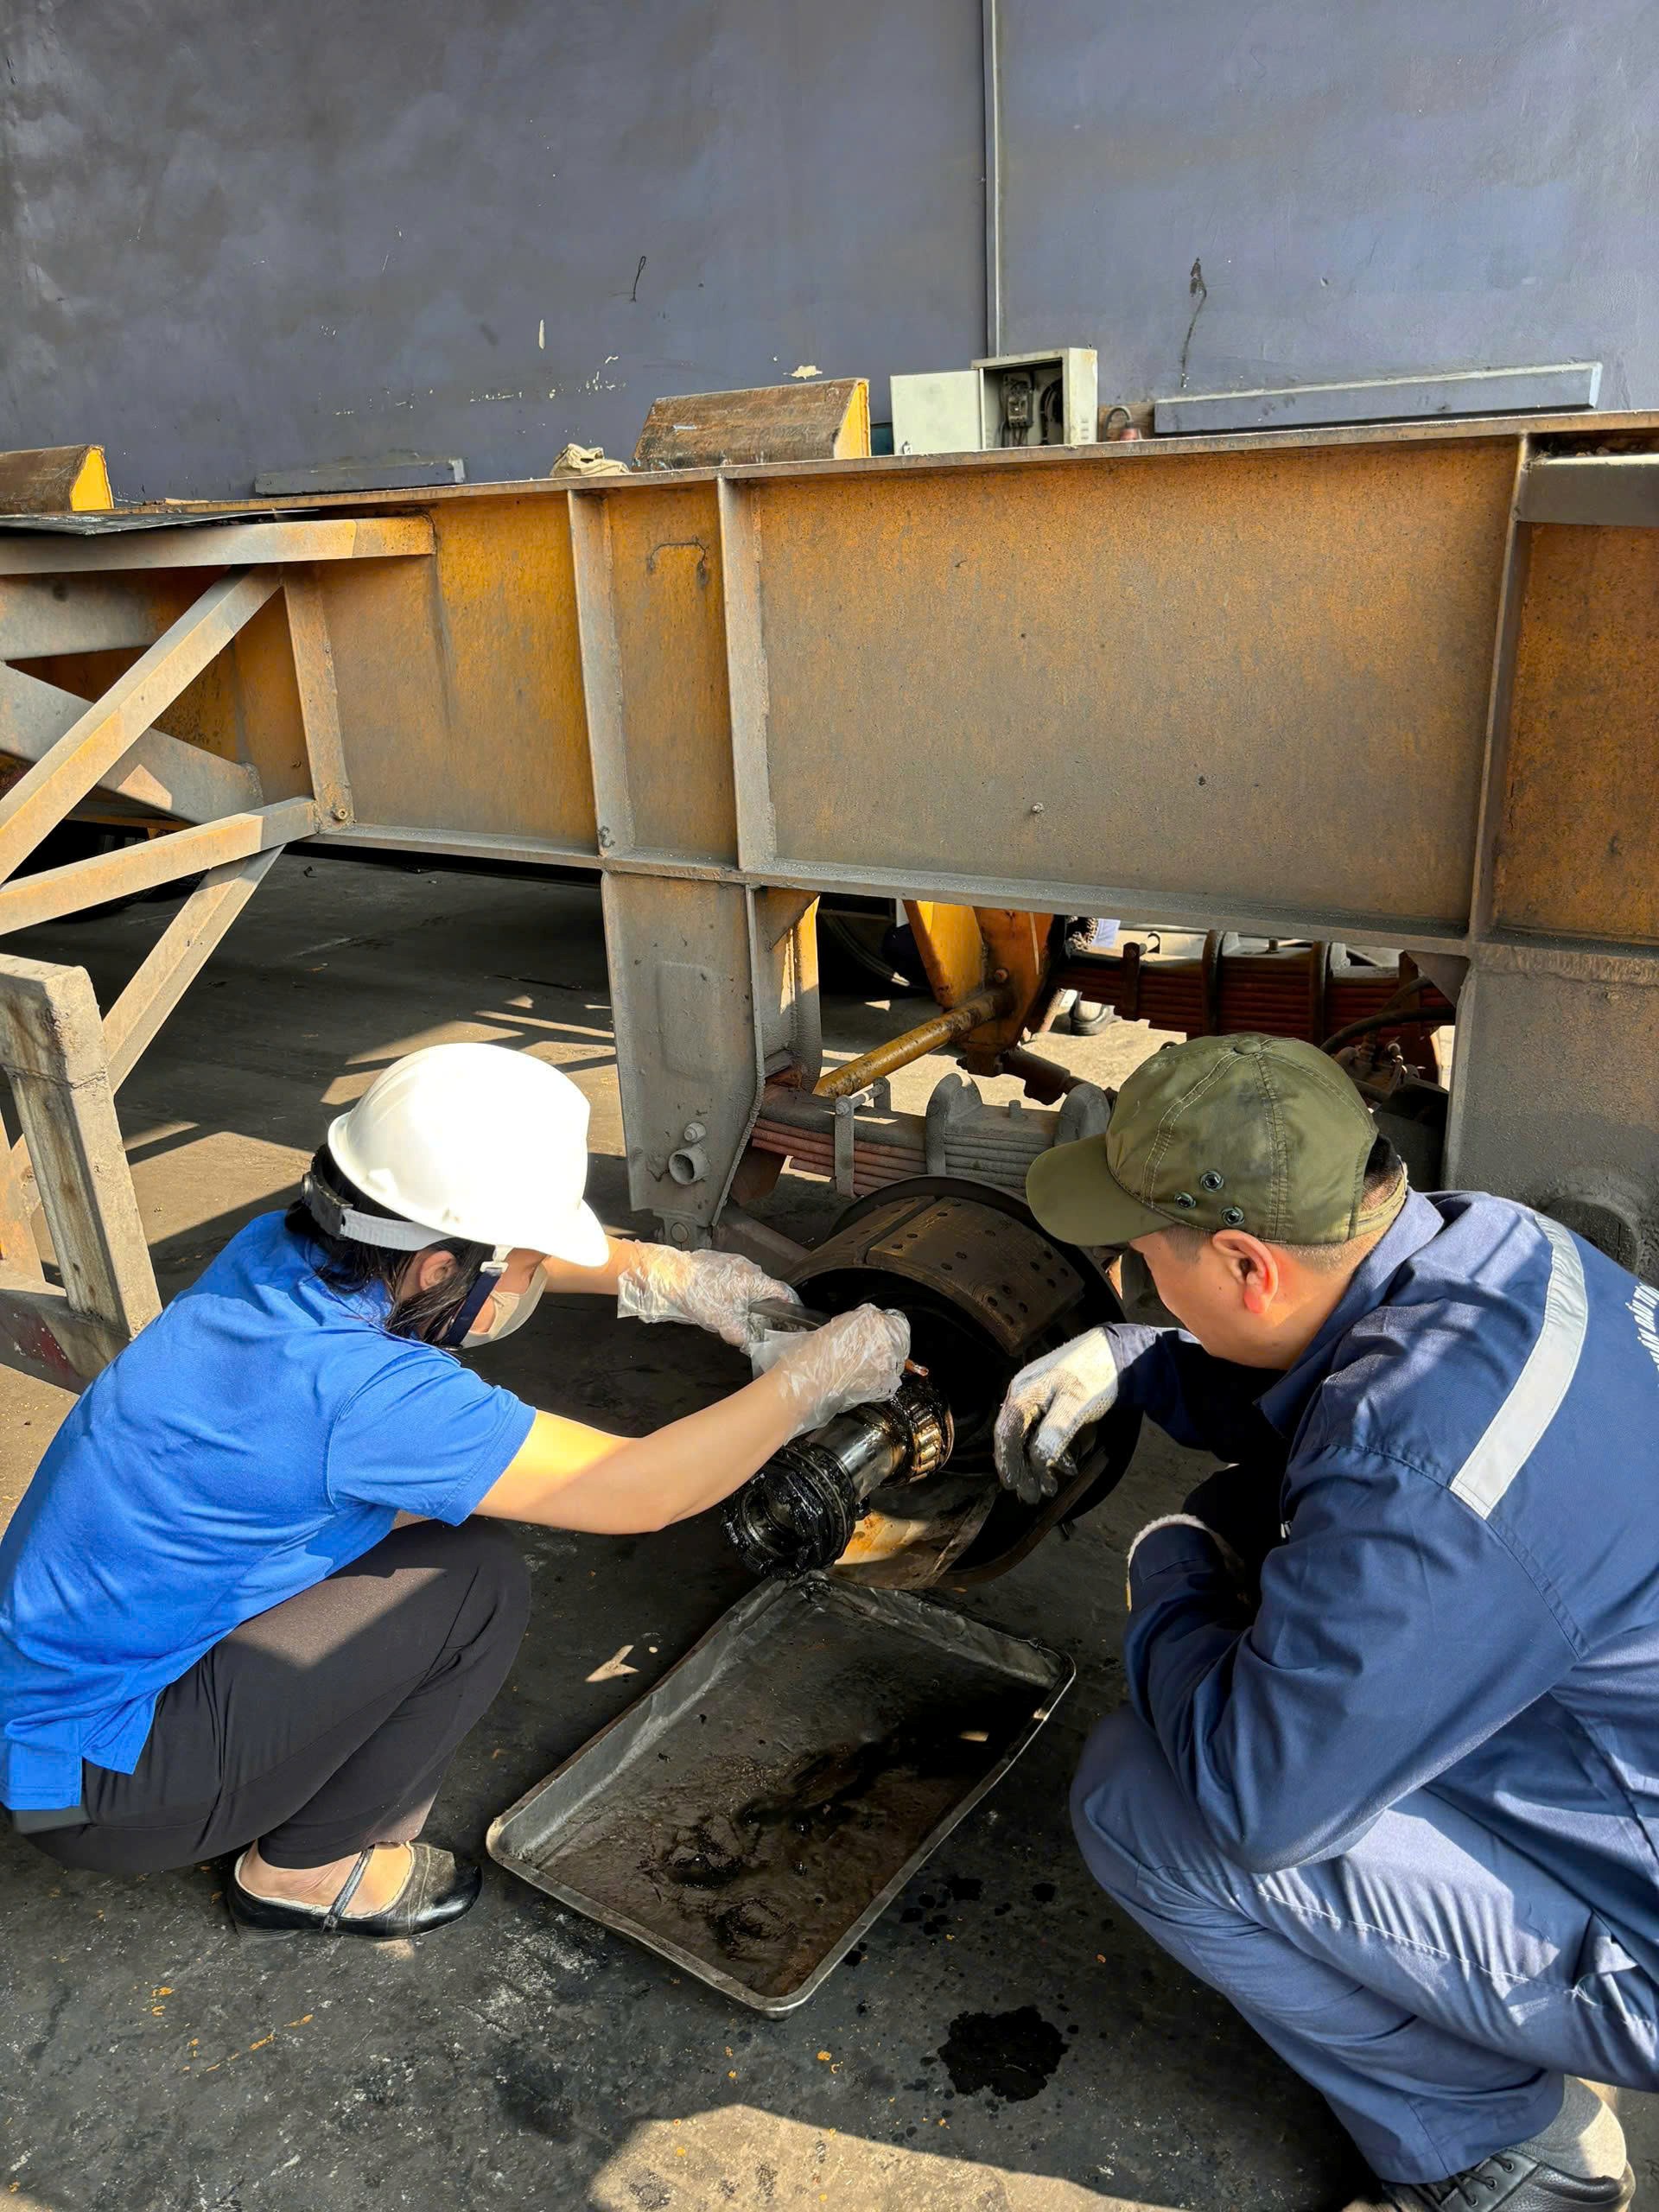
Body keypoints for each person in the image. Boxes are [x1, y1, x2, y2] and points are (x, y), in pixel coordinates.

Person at [0, 1041, 906, 1942]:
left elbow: (478, 1259)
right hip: (96, 1791)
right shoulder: (370, 1397)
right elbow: (645, 1489)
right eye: (526, 1264)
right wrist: (811, 1380)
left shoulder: (277, 1255)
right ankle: (308, 1871)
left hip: (43, 1708)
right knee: (471, 1583)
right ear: (440, 1269)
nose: (534, 1280)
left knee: (412, 1523)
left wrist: (669, 1276)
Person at [995, 1033, 1654, 2212]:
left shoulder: (1421, 1475)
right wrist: (1140, 1361)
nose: (1140, 1282)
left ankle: (1502, 2152)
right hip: (1614, 1726)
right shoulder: (1503, 1244)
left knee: (1148, 1803)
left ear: (1248, 1266)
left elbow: (1260, 1801)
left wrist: (1172, 1572)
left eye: (1146, 1265)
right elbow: (1339, 1382)